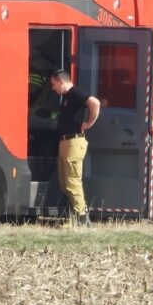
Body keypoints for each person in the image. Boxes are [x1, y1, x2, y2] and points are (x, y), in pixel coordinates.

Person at [49, 69, 100, 226]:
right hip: (65, 142)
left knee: (72, 181)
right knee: (64, 182)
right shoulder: (66, 97)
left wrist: (89, 123)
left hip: (74, 142)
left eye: (54, 84)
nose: (53, 88)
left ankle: (83, 218)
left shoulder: (75, 93)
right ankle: (74, 216)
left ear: (61, 81)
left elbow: (95, 103)